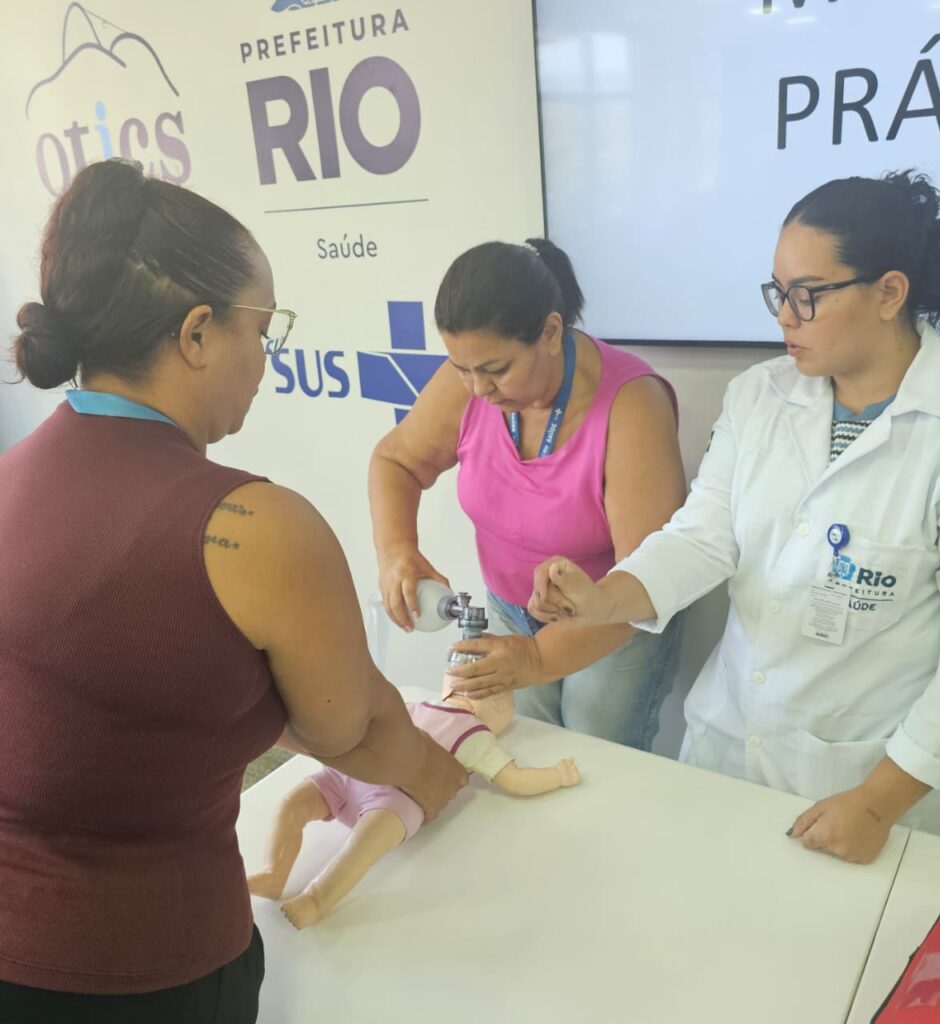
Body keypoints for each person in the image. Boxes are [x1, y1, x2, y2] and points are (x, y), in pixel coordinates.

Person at [0, 159, 465, 1023]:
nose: (266, 359)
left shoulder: (12, 474)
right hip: (153, 974)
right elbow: (355, 731)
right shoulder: (254, 528)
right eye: (264, 327)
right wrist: (450, 780)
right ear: (198, 334)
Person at [526, 171, 940, 863]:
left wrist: (877, 802)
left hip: (876, 787)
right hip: (733, 750)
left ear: (889, 293)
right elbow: (701, 537)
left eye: (807, 295)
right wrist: (603, 598)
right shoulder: (758, 396)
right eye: (778, 292)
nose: (784, 316)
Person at [368, 239, 686, 751]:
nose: (478, 388)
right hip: (508, 609)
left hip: (612, 624)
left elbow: (649, 579)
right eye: (461, 368)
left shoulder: (633, 406)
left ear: (551, 333)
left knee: (598, 760)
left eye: (496, 370)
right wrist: (397, 552)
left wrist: (536, 659)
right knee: (521, 748)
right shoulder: (470, 381)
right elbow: (396, 461)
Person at [248, 682, 581, 930]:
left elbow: (516, 780)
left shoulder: (475, 734)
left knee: (361, 847)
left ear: (499, 711)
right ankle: (274, 873)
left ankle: (317, 898)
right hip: (351, 772)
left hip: (399, 796)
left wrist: (557, 775)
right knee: (292, 804)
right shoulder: (414, 704)